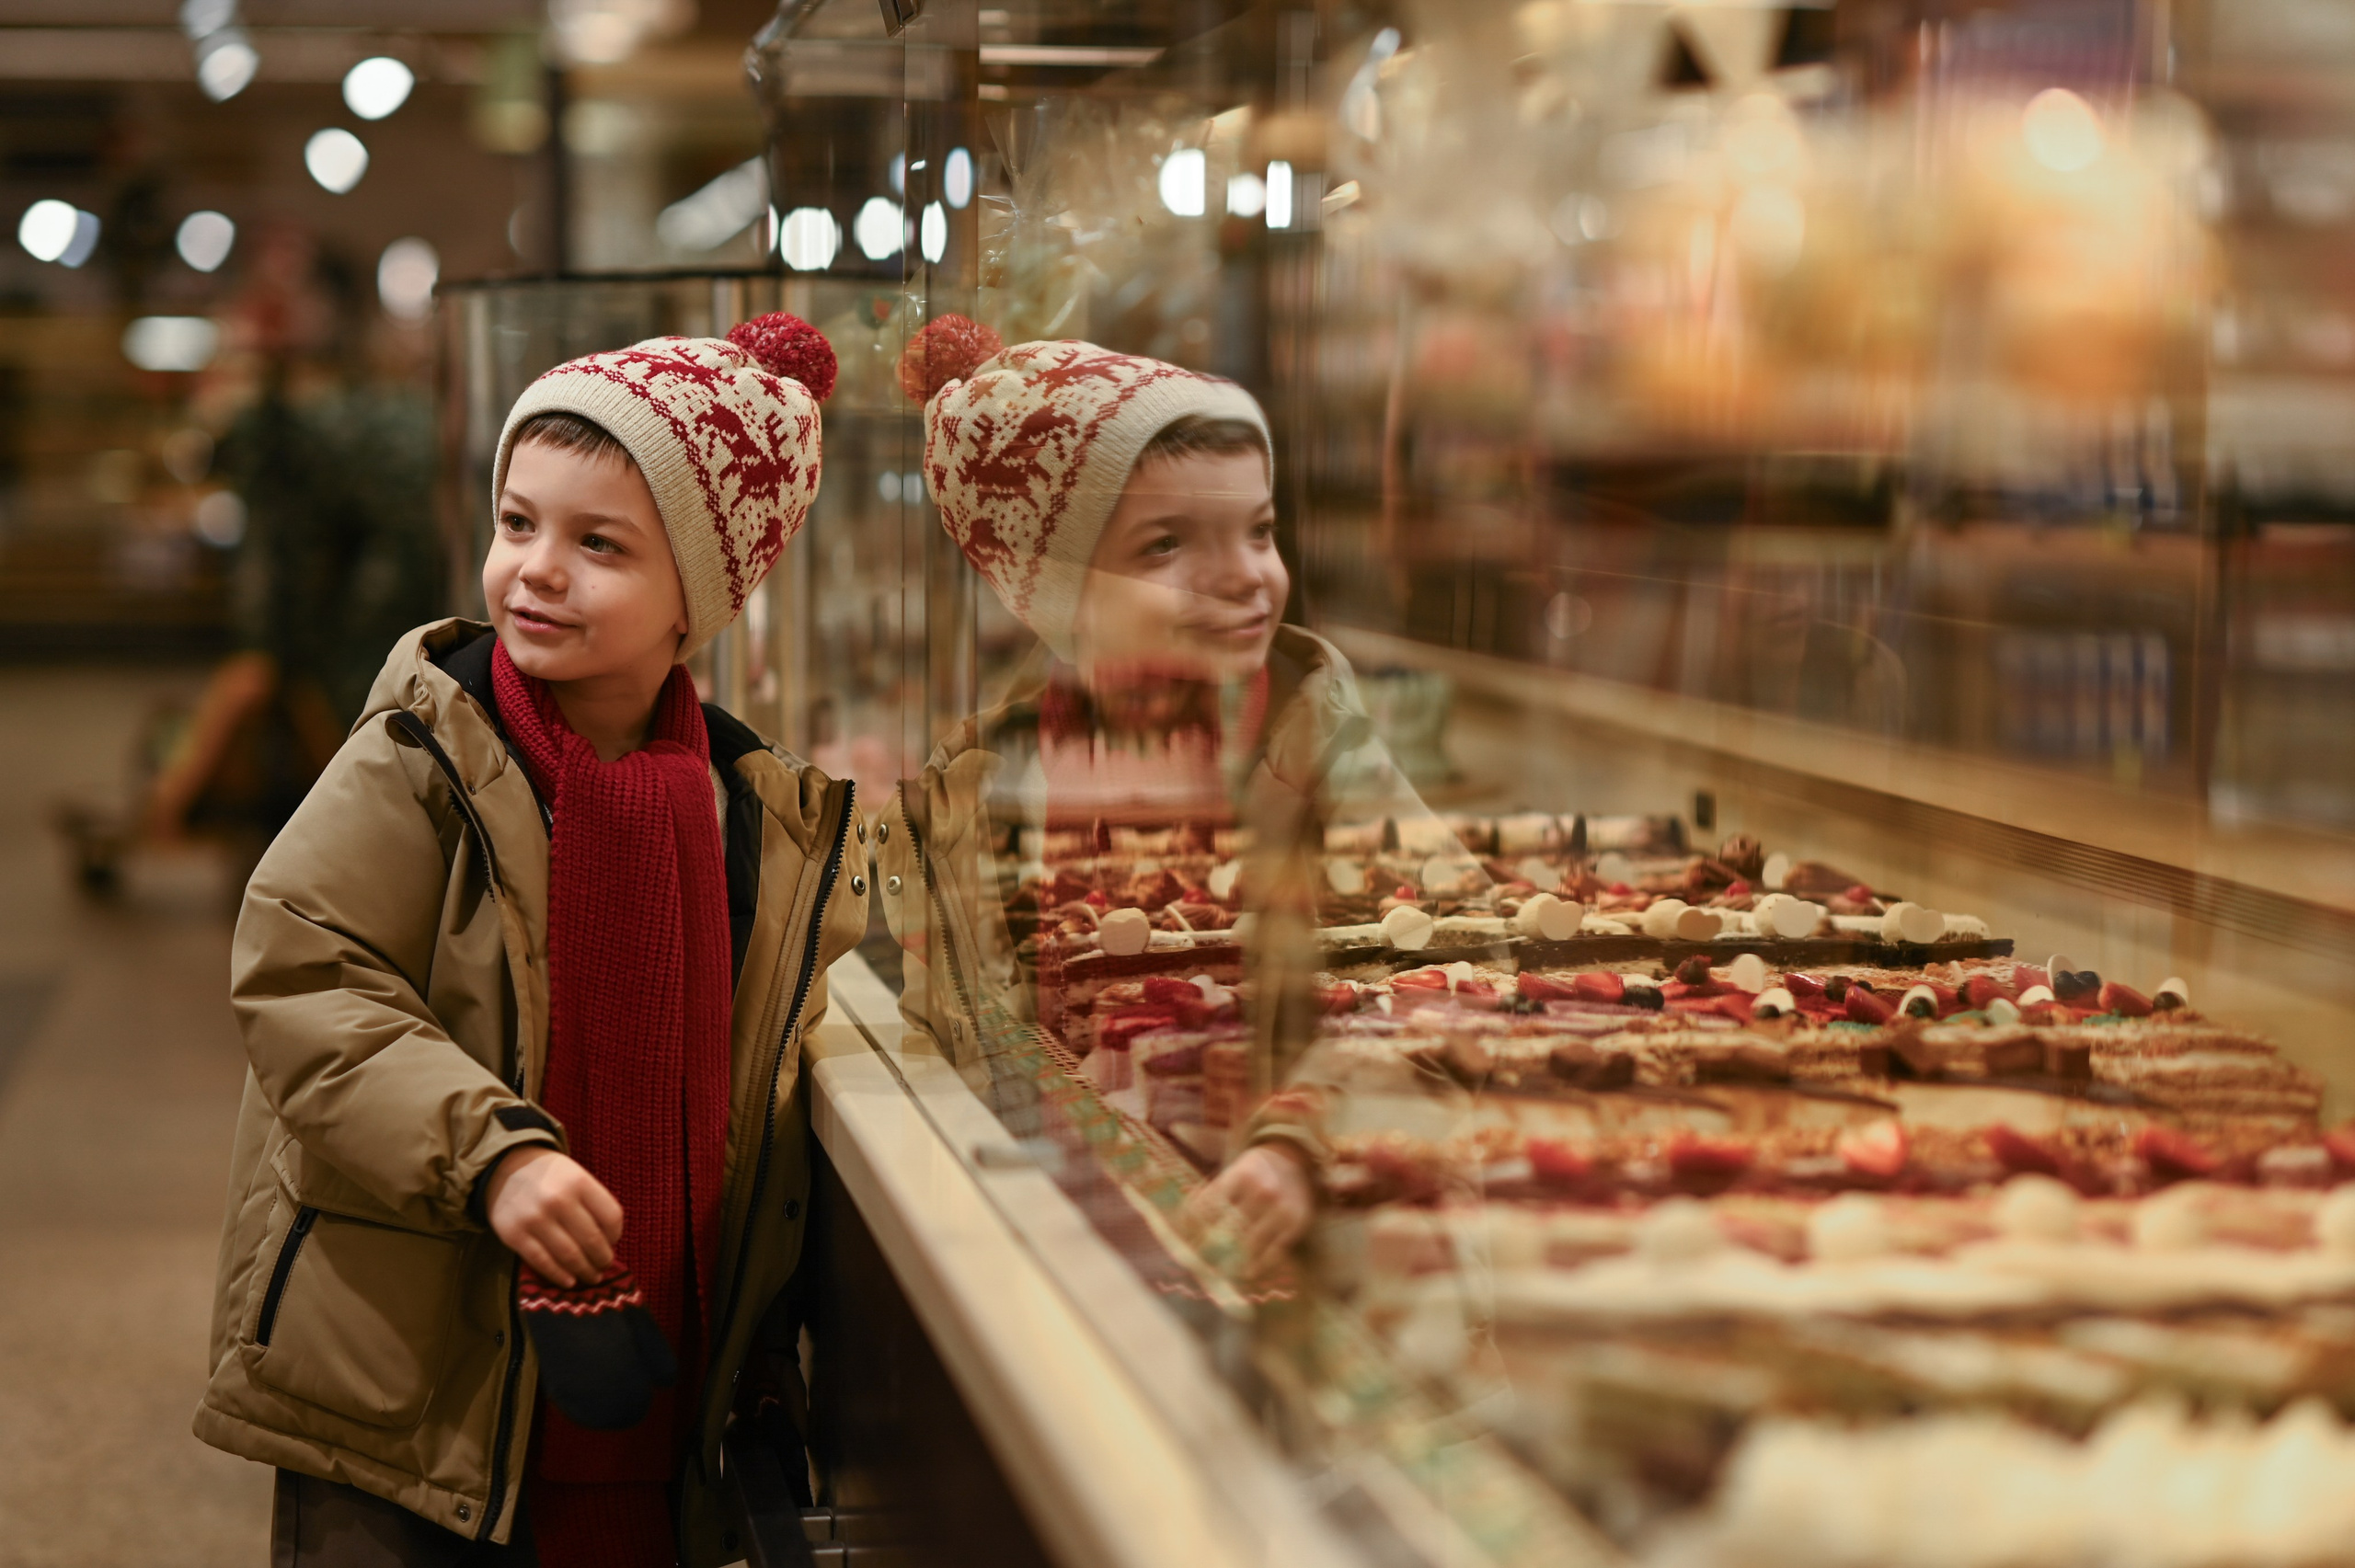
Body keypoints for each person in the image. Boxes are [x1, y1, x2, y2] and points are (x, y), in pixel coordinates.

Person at [193, 315, 868, 1568]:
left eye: (597, 543)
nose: (535, 570)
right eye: (517, 523)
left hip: (649, 1383)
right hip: (416, 1379)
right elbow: (307, 975)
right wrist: (493, 1153)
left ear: (700, 598)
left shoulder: (748, 817)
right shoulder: (424, 752)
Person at [877, 320, 1454, 1279]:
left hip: (1316, 1275)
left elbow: (1448, 978)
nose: (1244, 575)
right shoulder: (976, 791)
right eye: (1167, 544)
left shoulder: (1322, 750)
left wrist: (1303, 1142)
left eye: (1259, 530)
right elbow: (956, 1027)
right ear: (1056, 589)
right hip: (1078, 1272)